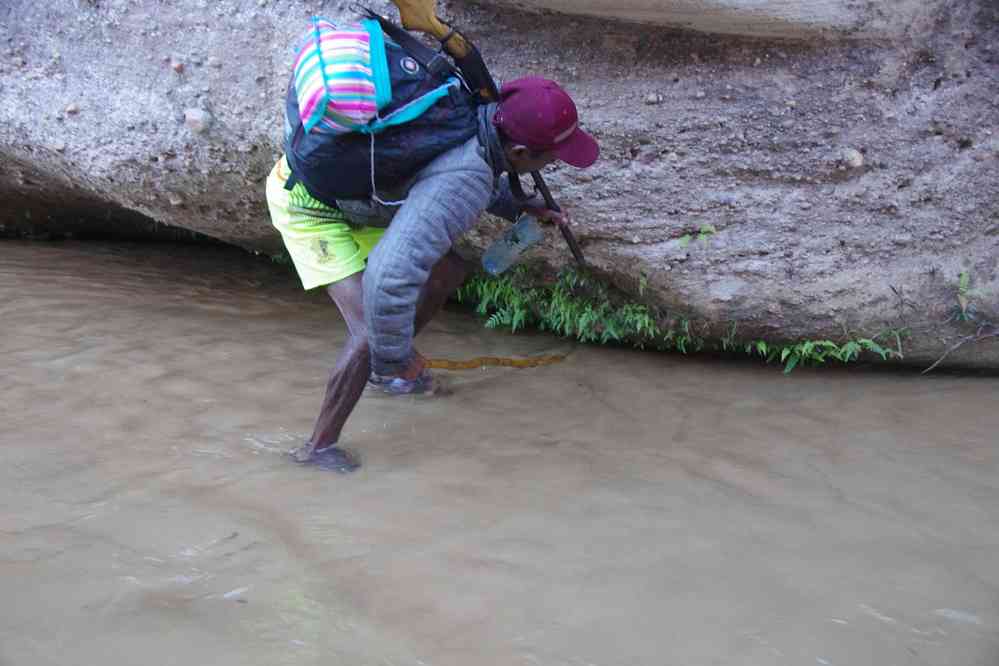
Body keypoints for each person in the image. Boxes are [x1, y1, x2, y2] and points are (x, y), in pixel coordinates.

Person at [265, 76, 599, 472]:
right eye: (553, 157)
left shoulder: (472, 115)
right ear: (520, 151)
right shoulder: (469, 173)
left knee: (449, 269)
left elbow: (449, 172)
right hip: (311, 206)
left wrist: (518, 206)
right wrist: (394, 355)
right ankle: (317, 448)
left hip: (364, 200)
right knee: (370, 331)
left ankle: (383, 376)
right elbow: (387, 279)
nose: (553, 163)